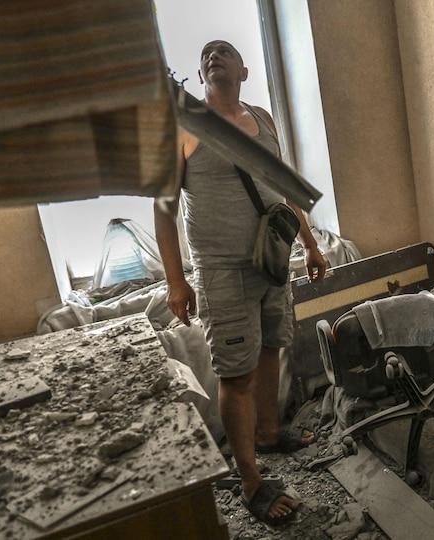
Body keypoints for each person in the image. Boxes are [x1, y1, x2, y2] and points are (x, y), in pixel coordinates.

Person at [154, 39, 326, 526]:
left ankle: (270, 432)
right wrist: (175, 280)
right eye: (207, 53)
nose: (214, 55)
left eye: (225, 50)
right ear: (202, 73)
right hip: (223, 271)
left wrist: (310, 245)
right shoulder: (186, 126)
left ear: (244, 70)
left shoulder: (264, 119)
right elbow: (163, 209)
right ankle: (250, 477)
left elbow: (285, 187)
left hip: (274, 258)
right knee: (236, 373)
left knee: (273, 346)